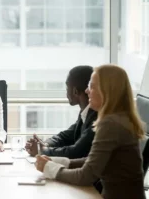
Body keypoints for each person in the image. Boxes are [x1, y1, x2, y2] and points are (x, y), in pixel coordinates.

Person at [35, 64, 146, 199]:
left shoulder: (111, 124)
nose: (87, 91)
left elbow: (86, 176)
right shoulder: (119, 118)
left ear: (106, 91)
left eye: (92, 86)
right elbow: (93, 160)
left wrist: (49, 168)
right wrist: (55, 161)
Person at [25, 65, 98, 159]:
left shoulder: (96, 116)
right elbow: (65, 136)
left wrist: (42, 151)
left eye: (67, 87)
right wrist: (45, 144)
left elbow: (76, 151)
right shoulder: (85, 112)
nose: (66, 92)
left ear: (75, 91)